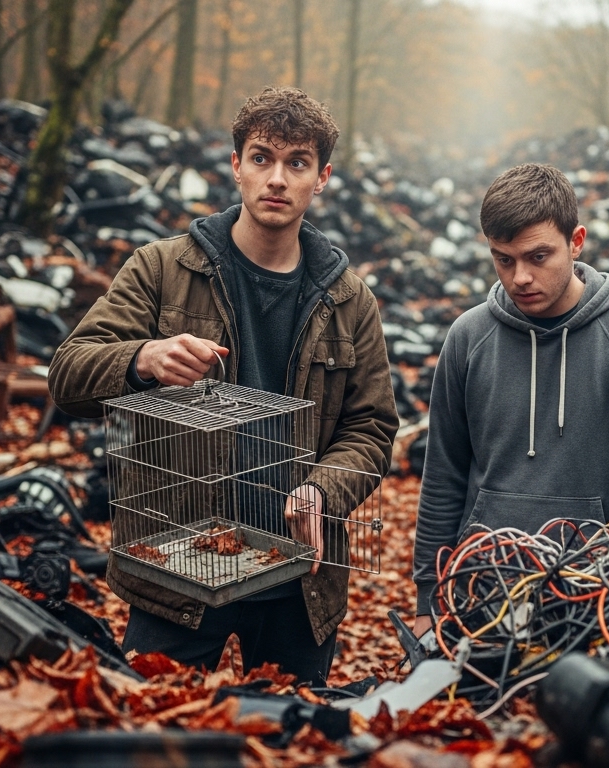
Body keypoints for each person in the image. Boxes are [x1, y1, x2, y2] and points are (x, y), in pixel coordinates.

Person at [48, 87, 398, 685]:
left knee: (291, 738)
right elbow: (67, 375)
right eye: (261, 158)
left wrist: (323, 491)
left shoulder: (351, 302)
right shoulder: (160, 269)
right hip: (176, 564)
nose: (277, 179)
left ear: (323, 178)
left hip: (297, 581)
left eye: (297, 163)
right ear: (235, 165)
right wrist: (143, 358)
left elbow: (371, 428)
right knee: (156, 737)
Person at [411, 163, 609, 635]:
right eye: (503, 259)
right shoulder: (468, 339)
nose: (520, 277)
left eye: (538, 256)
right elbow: (442, 478)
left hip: (598, 597)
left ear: (576, 241)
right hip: (481, 596)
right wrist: (429, 600)